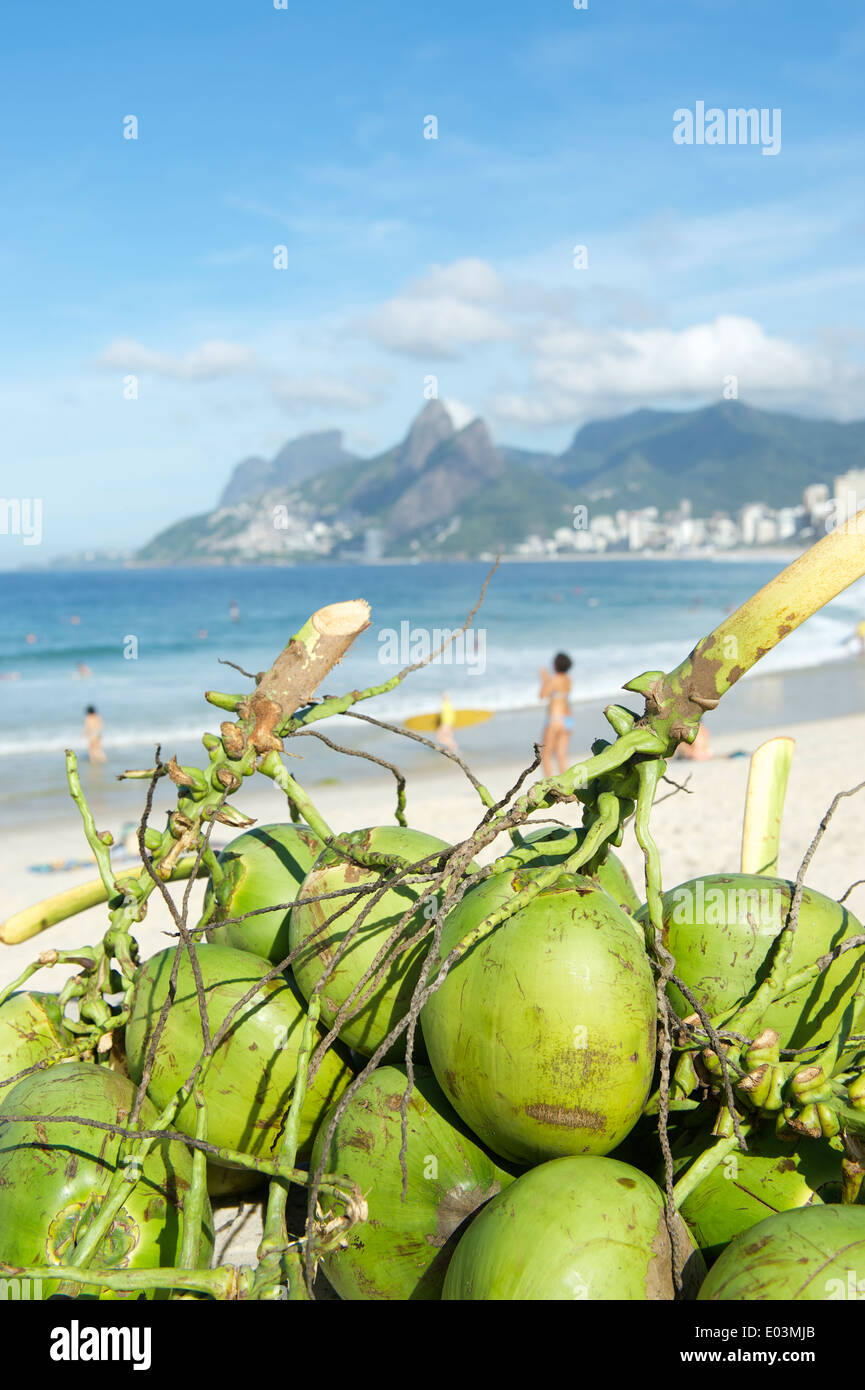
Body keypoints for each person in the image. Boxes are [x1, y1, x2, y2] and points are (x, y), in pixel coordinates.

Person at [539, 653, 573, 777]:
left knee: (546, 754)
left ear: (556, 664)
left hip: (555, 719)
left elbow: (543, 695)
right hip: (568, 719)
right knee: (561, 755)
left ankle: (549, 785)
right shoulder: (568, 680)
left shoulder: (554, 679)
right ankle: (565, 784)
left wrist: (544, 678)